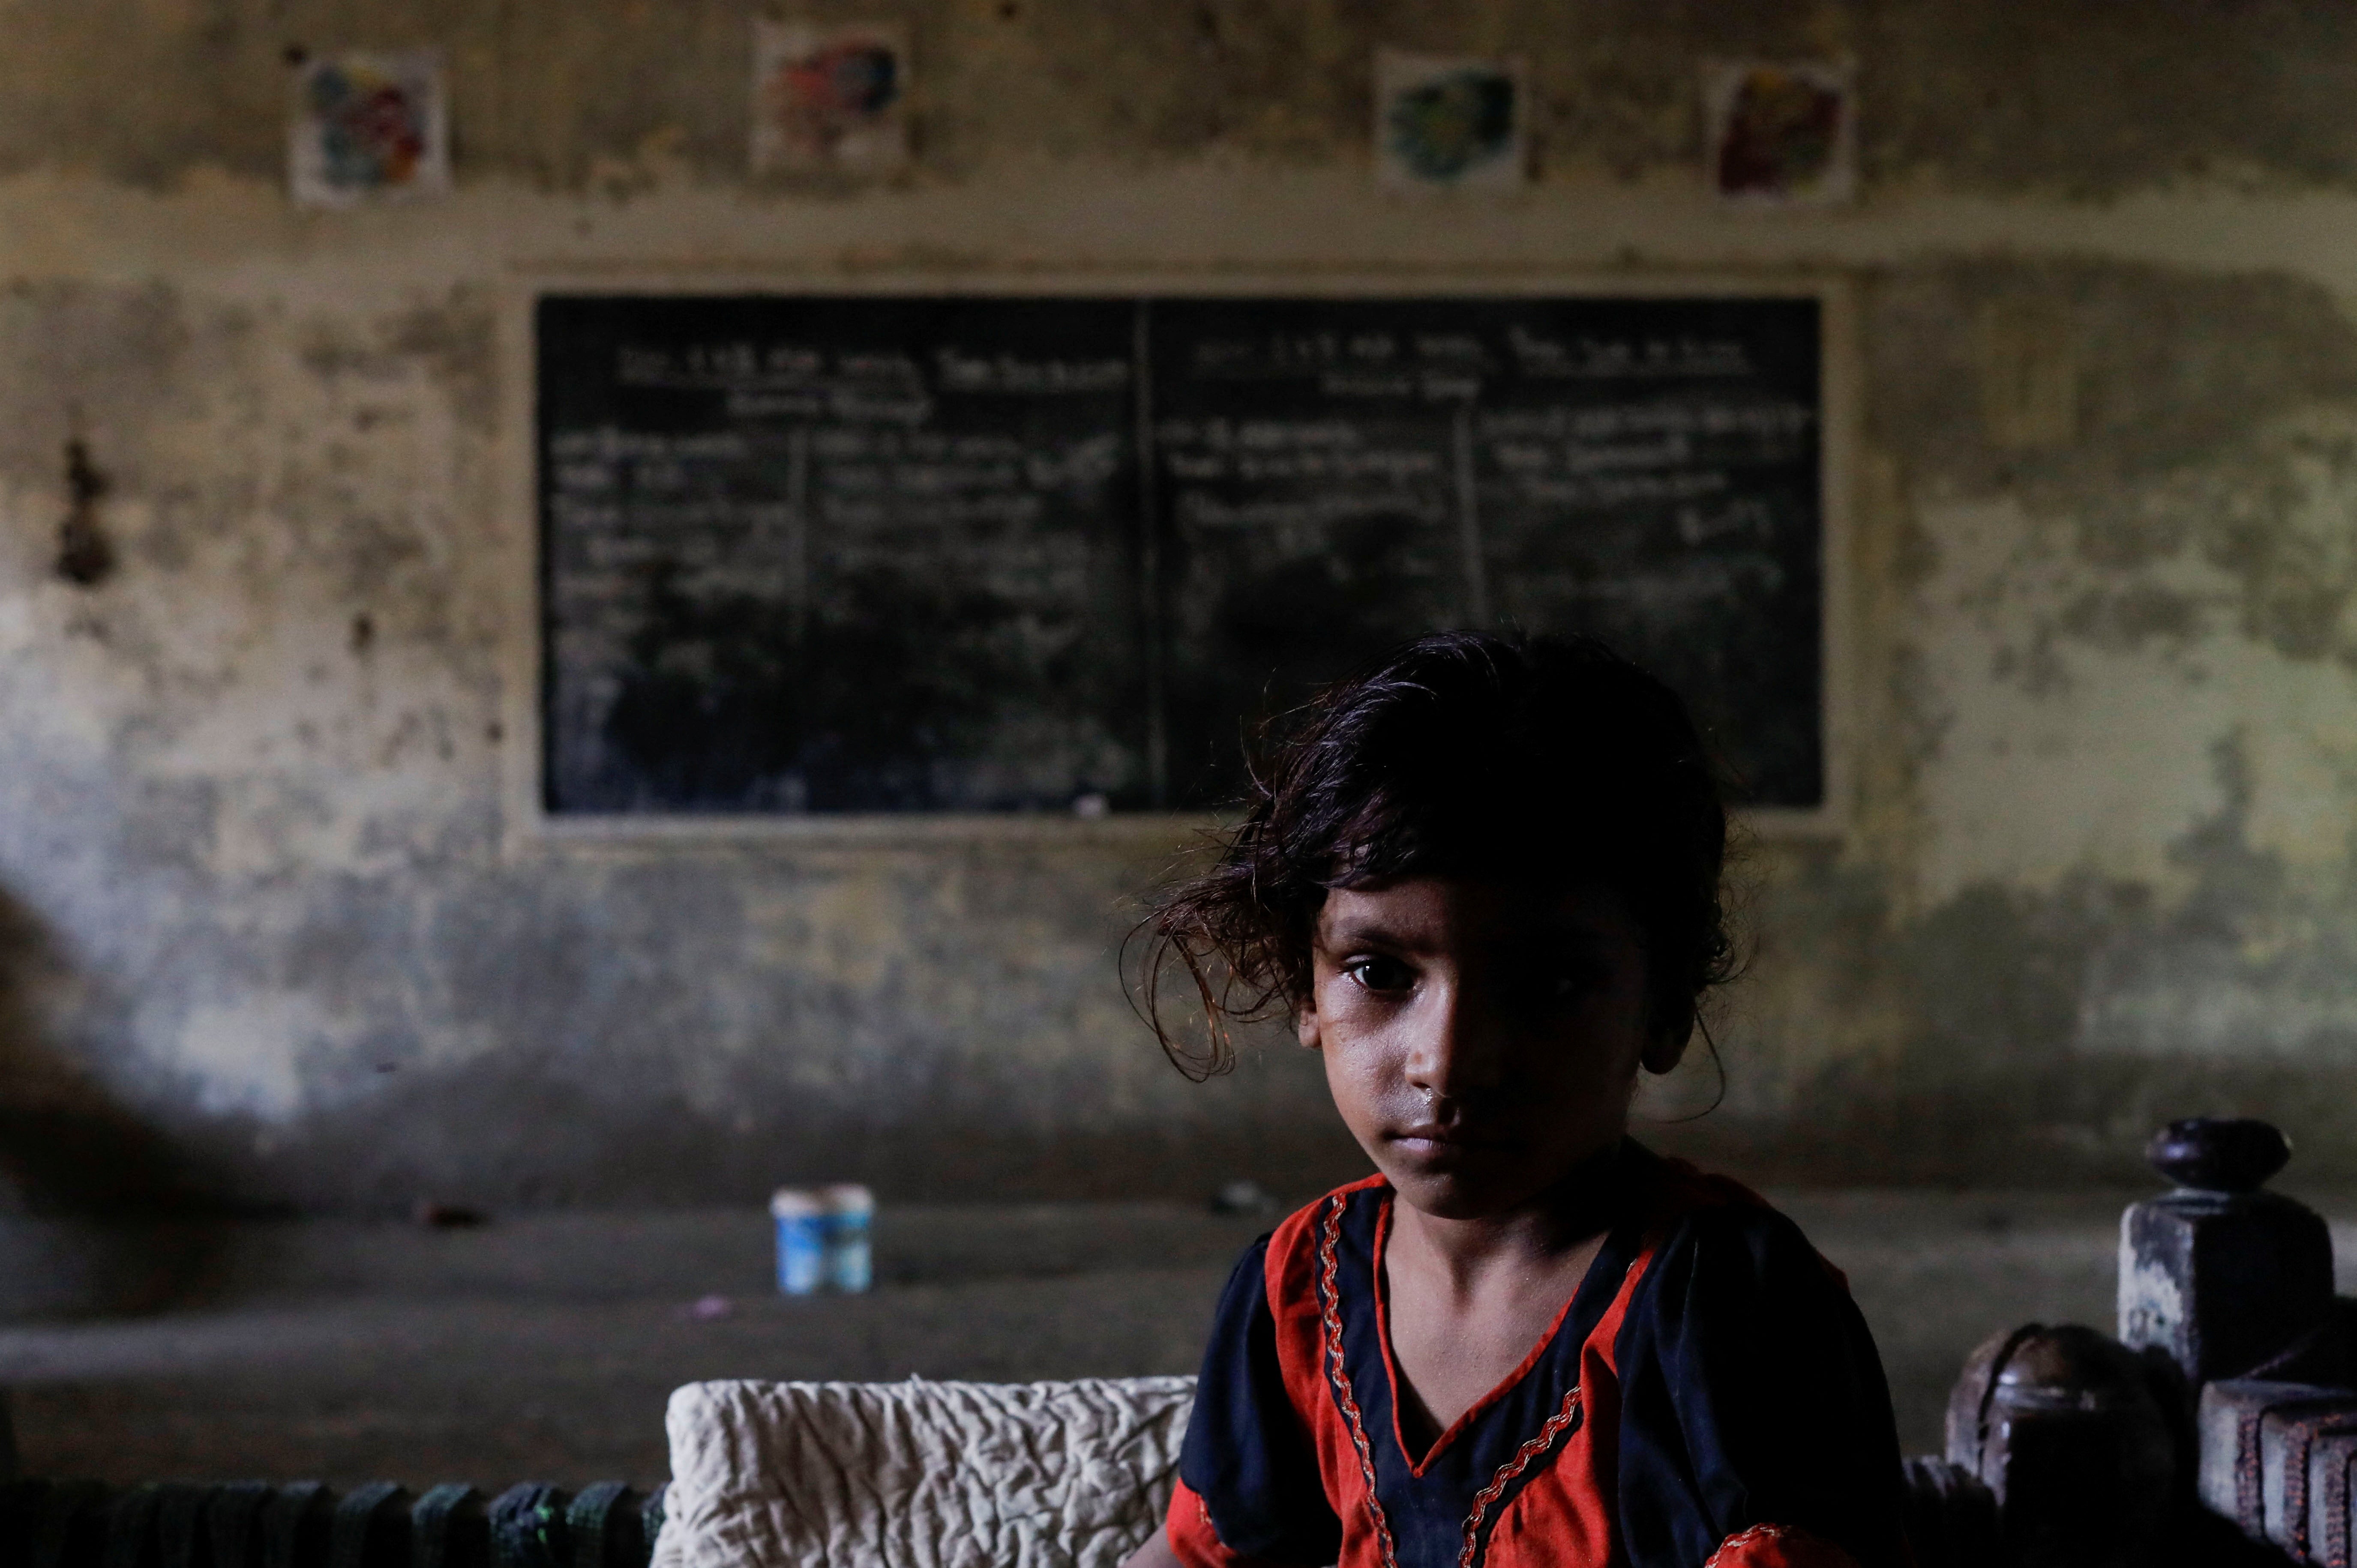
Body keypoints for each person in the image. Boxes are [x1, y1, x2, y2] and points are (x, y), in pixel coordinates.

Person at [1124, 632, 1909, 1568]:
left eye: (1543, 986)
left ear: (1660, 1012)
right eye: (1378, 971)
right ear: (1305, 990)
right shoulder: (1296, 1288)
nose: (1447, 1063)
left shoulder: (1728, 1304)